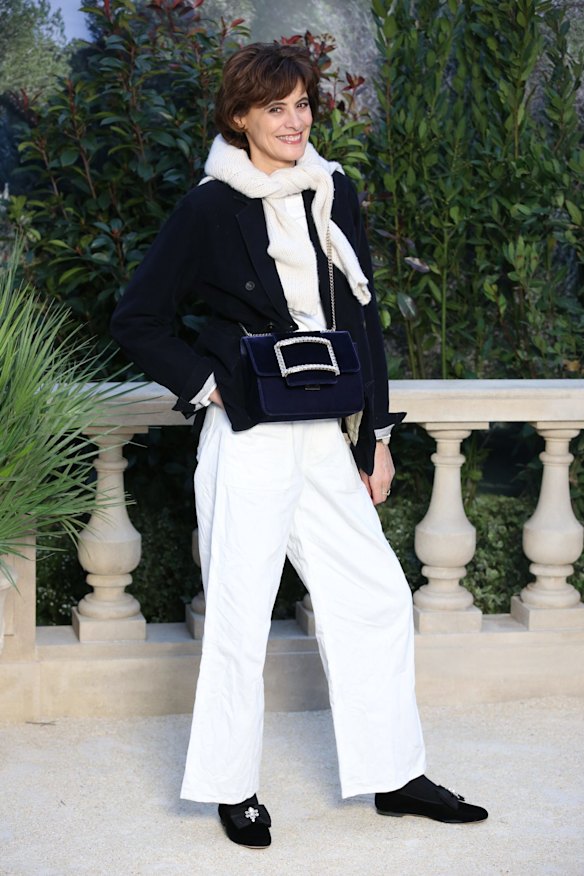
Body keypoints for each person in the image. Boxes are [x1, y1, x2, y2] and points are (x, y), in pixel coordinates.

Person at [110, 42, 488, 849]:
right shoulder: (210, 207)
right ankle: (232, 787)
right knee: (241, 615)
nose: (294, 120)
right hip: (249, 437)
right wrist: (209, 386)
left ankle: (395, 775)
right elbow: (137, 317)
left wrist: (377, 437)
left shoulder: (333, 189)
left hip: (327, 434)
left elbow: (362, 316)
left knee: (377, 597)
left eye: (303, 103)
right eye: (275, 107)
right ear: (239, 117)